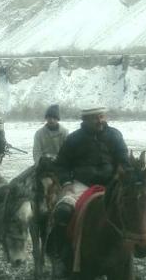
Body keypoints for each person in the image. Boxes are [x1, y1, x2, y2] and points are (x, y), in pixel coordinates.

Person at [48, 106, 130, 266]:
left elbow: (124, 161)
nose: (100, 121)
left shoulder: (115, 135)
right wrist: (66, 182)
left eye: (101, 116)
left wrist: (120, 174)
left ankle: (127, 256)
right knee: (63, 211)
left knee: (132, 209)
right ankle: (62, 255)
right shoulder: (73, 139)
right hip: (81, 185)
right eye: (95, 118)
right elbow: (61, 165)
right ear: (85, 120)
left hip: (111, 185)